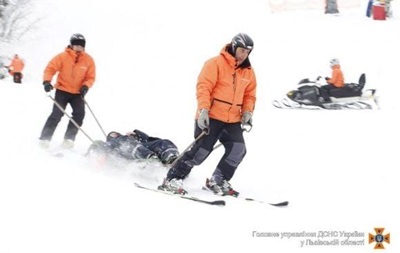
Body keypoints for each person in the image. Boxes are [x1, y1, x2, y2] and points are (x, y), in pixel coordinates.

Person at [158, 33, 257, 196]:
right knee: (200, 151)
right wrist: (203, 110)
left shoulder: (248, 72)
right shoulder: (215, 63)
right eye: (241, 50)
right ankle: (173, 179)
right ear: (233, 47)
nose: (244, 55)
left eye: (247, 52)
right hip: (210, 116)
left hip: (232, 119)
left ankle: (218, 180)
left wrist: (247, 111)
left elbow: (250, 95)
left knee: (238, 149)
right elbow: (204, 87)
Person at [38, 33, 96, 149]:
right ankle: (45, 138)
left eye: (81, 46)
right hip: (62, 90)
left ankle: (69, 139)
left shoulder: (88, 60)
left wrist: (85, 86)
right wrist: (47, 82)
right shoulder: (62, 57)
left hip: (78, 93)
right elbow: (50, 68)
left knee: (79, 115)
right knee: (57, 114)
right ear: (71, 45)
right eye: (76, 45)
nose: (78, 48)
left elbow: (90, 77)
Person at [87, 129, 179, 165]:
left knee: (162, 142)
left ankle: (171, 156)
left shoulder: (133, 138)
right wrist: (96, 144)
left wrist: (136, 133)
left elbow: (149, 139)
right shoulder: (113, 144)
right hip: (127, 153)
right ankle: (150, 157)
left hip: (142, 147)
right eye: (112, 135)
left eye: (116, 133)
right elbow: (101, 146)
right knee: (126, 142)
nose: (114, 135)